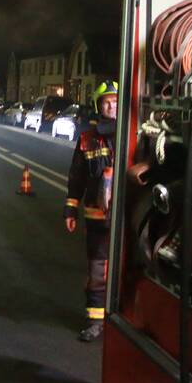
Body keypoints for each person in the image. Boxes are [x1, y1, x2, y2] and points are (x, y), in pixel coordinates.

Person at [64, 81, 118, 342]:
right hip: (98, 219)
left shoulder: (134, 135)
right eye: (107, 102)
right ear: (99, 106)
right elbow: (77, 177)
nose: (112, 106)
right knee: (98, 271)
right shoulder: (87, 139)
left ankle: (121, 319)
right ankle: (95, 321)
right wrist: (70, 210)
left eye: (116, 102)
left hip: (125, 218)